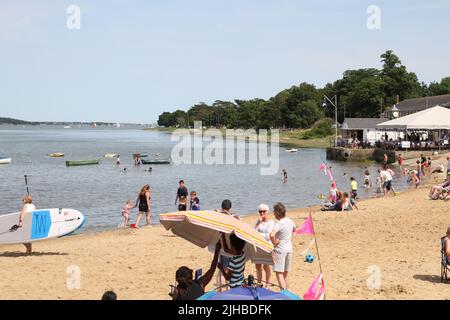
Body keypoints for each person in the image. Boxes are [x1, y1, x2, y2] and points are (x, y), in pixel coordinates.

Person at [269, 202, 296, 290]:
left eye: (274, 212)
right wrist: (290, 238)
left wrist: (274, 242)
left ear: (277, 212)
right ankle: (287, 294)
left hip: (280, 250)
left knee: (279, 274)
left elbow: (271, 235)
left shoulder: (279, 223)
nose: (273, 214)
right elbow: (295, 230)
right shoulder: (289, 220)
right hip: (289, 249)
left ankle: (284, 294)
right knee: (285, 274)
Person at [254, 204, 275, 287]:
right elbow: (253, 231)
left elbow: (268, 236)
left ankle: (268, 284)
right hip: (258, 246)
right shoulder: (258, 222)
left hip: (266, 246)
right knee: (258, 266)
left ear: (267, 212)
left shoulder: (271, 222)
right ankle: (259, 283)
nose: (262, 213)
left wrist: (258, 234)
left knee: (266, 266)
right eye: (260, 211)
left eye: (263, 211)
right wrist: (258, 223)